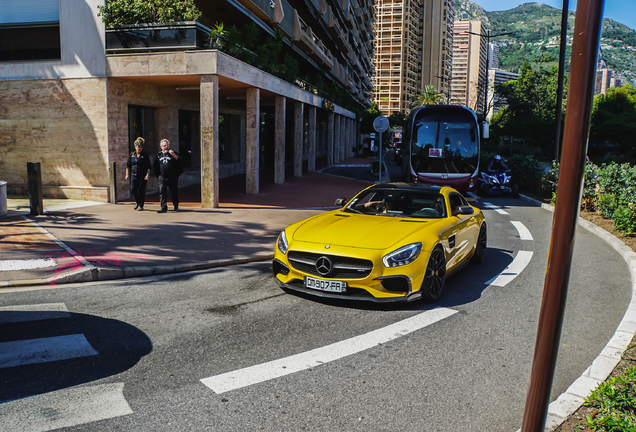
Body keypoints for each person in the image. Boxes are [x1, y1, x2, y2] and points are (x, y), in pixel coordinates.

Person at [153, 139, 181, 213]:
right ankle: (163, 207)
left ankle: (175, 204)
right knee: (162, 191)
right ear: (161, 146)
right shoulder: (158, 155)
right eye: (164, 146)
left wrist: (174, 155)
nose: (166, 147)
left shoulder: (173, 153)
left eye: (167, 145)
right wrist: (158, 175)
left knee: (174, 191)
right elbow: (155, 166)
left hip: (172, 177)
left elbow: (180, 161)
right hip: (162, 177)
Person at [125, 137, 151, 211]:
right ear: (135, 147)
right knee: (133, 189)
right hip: (134, 175)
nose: (139, 148)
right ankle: (137, 201)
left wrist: (147, 174)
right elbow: (128, 166)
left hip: (142, 176)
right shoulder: (132, 155)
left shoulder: (145, 155)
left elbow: (148, 166)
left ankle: (141, 205)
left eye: (140, 147)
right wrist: (127, 175)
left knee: (141, 190)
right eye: (138, 147)